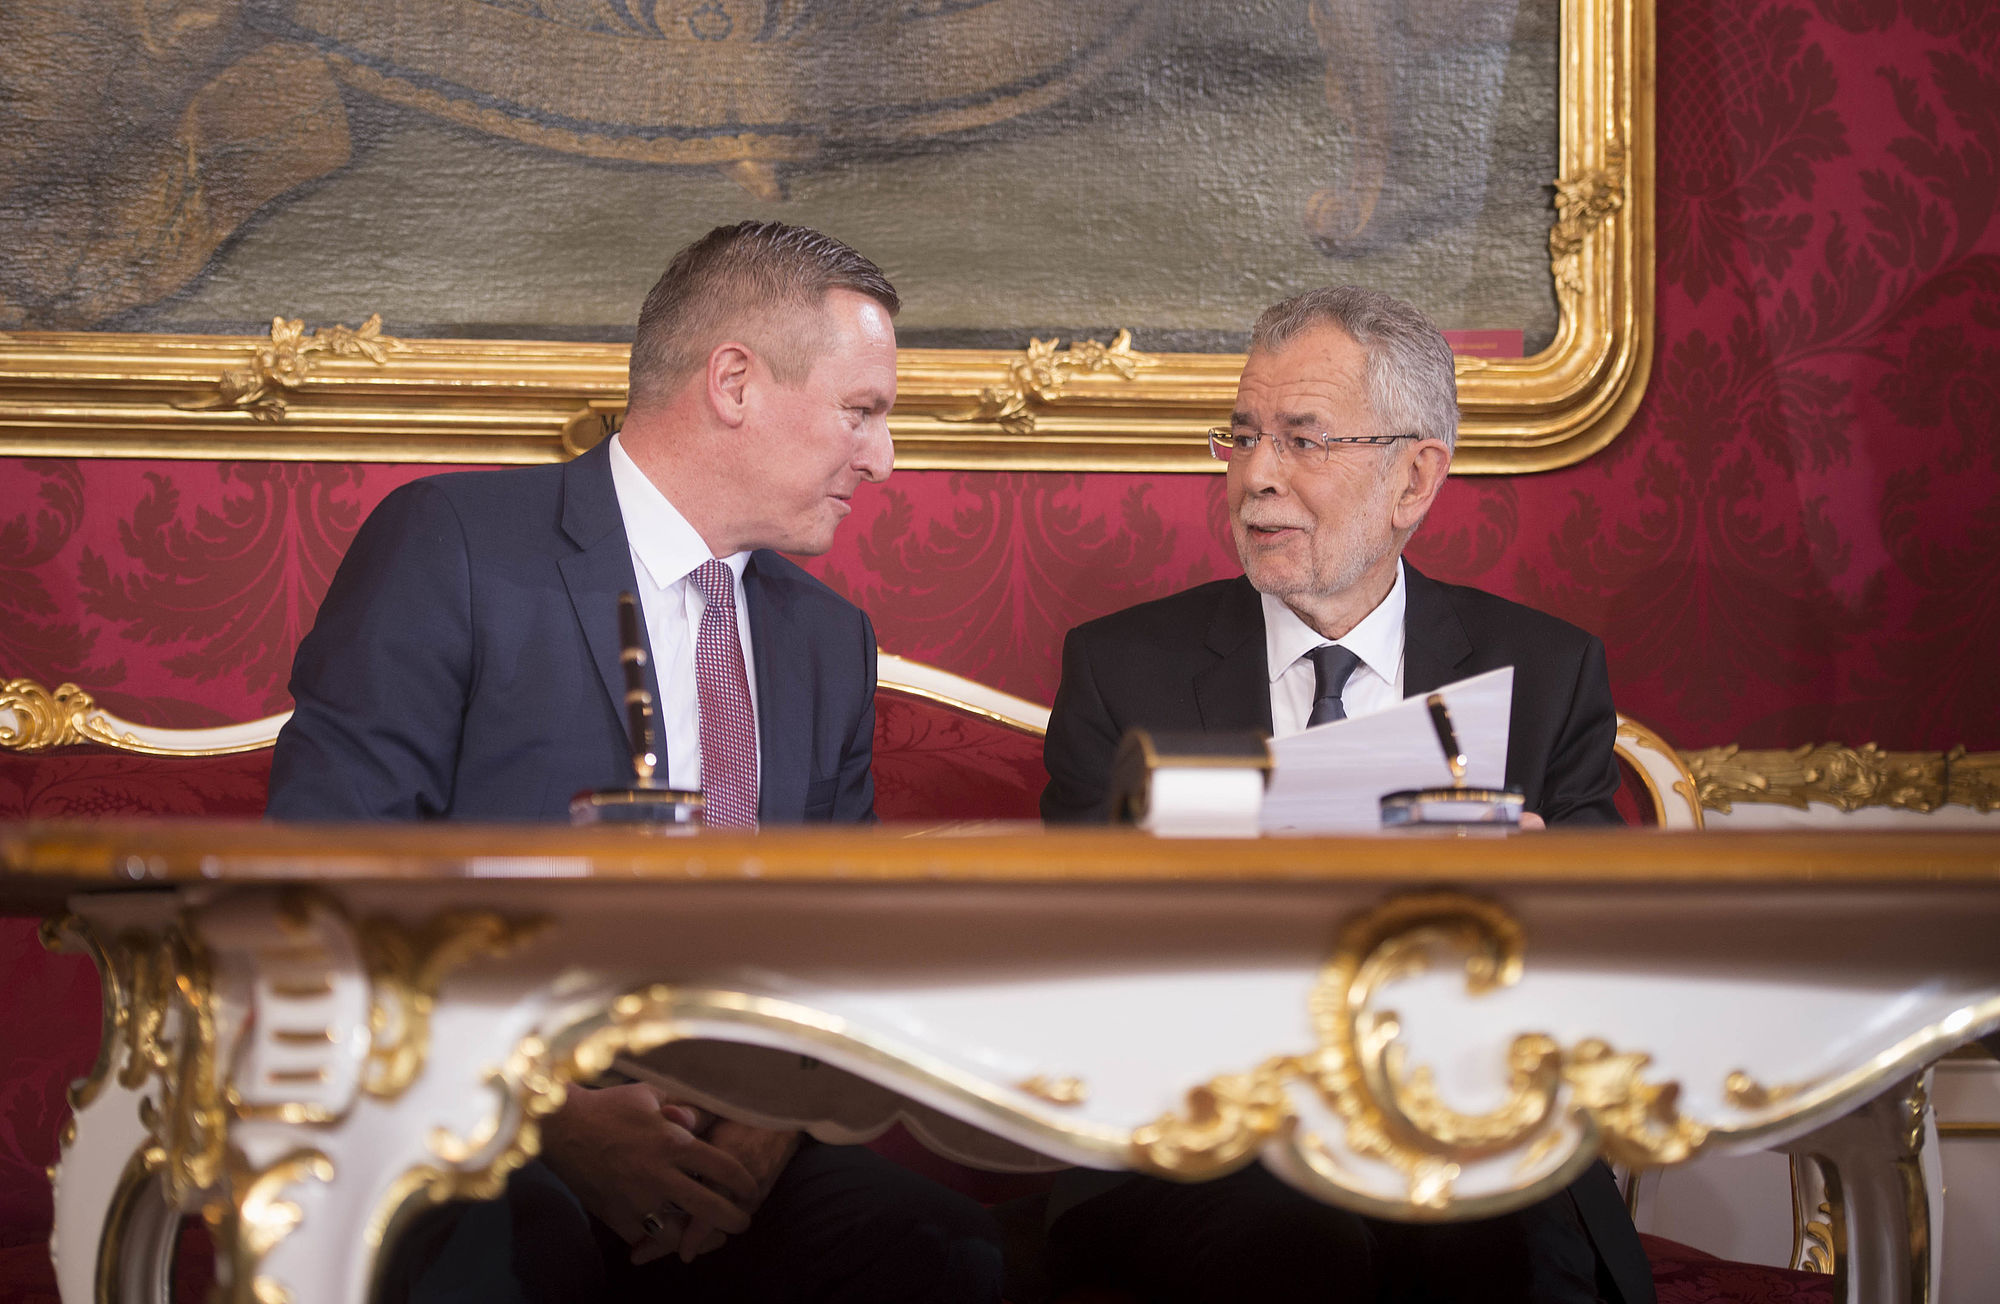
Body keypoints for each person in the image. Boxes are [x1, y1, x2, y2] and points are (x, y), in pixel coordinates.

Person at [268, 221, 1003, 1303]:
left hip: (738, 1140)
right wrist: (548, 1118)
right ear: (735, 383)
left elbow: (835, 934)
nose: (882, 458)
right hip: (474, 1127)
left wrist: (772, 1121)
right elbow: (324, 888)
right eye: (862, 412)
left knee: (939, 1252)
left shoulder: (826, 638)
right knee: (515, 1248)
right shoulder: (455, 544)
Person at [1038, 285, 1651, 1303]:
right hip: (1209, 1139)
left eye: (1303, 440)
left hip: (1468, 1132)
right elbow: (1073, 955)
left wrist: (1539, 898)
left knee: (1484, 1243)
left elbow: (1617, 961)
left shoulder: (1543, 672)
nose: (1256, 476)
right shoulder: (1121, 669)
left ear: (1414, 476)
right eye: (1242, 436)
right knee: (1290, 1239)